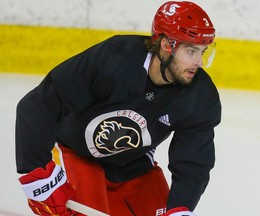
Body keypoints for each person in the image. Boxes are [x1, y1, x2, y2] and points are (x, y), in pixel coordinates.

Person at [16, 1, 221, 216]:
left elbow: (193, 162)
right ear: (166, 45)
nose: (199, 62)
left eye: (203, 51)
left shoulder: (199, 97)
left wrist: (181, 208)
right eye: (191, 51)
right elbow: (40, 104)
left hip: (134, 165)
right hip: (76, 155)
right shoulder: (115, 59)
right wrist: (38, 173)